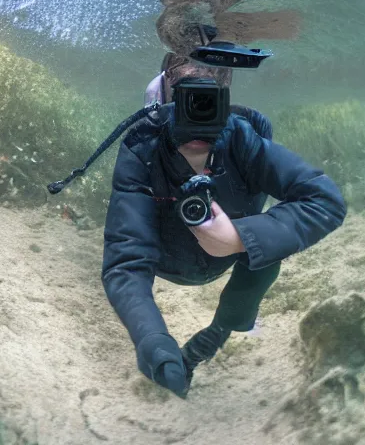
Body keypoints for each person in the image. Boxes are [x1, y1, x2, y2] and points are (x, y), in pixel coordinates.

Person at [101, 52, 347, 398]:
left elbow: (325, 200)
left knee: (268, 242)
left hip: (230, 256)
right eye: (188, 99)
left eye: (208, 100)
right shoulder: (143, 148)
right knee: (266, 237)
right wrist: (153, 340)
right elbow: (125, 265)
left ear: (225, 100)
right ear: (162, 99)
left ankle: (218, 332)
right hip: (166, 259)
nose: (197, 116)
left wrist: (240, 239)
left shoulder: (243, 140)